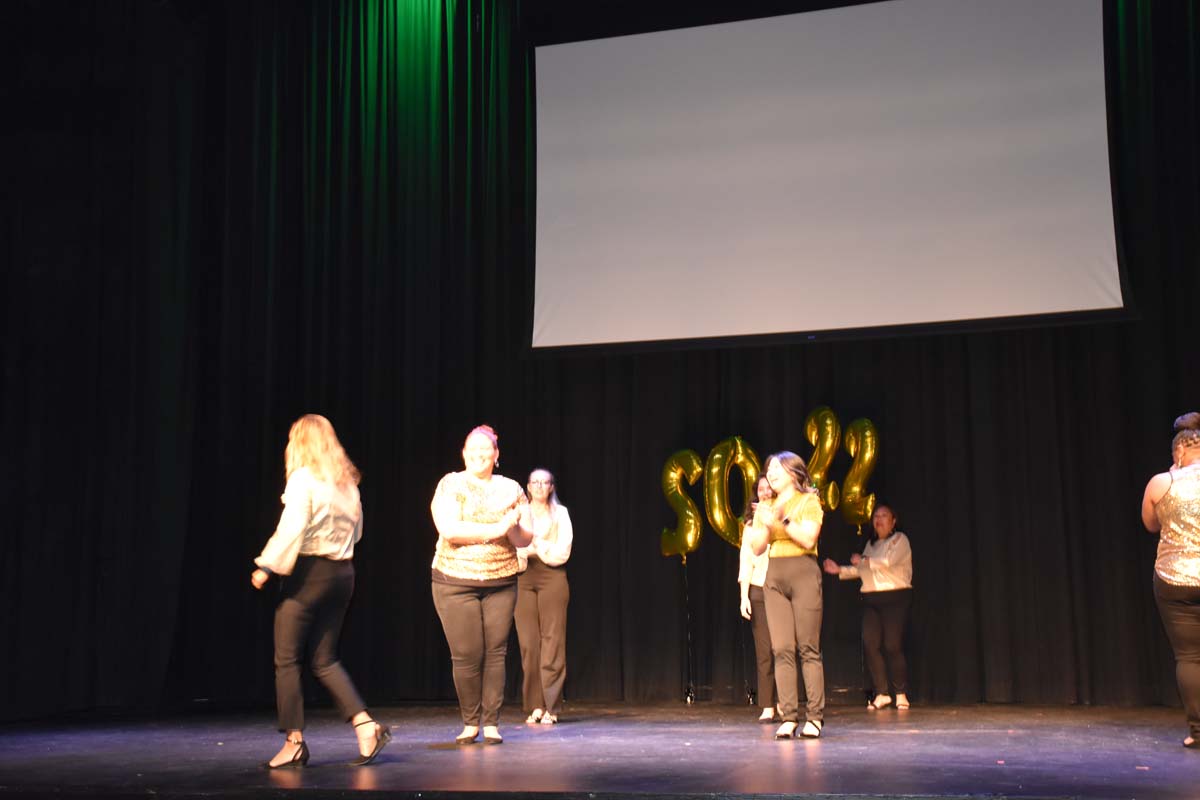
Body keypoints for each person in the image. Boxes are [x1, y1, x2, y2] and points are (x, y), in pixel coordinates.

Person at [250, 414, 390, 768]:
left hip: (310, 575)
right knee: (324, 659)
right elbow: (357, 533)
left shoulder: (304, 479)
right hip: (343, 574)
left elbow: (292, 526)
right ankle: (366, 726)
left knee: (287, 659)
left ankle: (294, 741)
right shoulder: (348, 484)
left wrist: (267, 565)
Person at [430, 424, 533, 745]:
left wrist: (514, 528)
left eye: (485, 449)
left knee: (495, 653)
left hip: (501, 580)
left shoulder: (512, 488)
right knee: (466, 654)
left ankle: (491, 723)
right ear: (463, 453)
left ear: (496, 455)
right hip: (454, 579)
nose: (479, 454)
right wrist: (499, 526)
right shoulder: (450, 483)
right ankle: (470, 721)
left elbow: (524, 536)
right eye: (472, 449)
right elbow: (450, 530)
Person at [745, 452, 827, 739]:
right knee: (781, 649)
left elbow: (808, 539)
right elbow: (756, 547)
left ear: (794, 472)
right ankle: (789, 716)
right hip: (774, 575)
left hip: (803, 571)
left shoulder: (809, 500)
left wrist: (784, 518)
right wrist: (766, 521)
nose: (772, 472)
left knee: (807, 647)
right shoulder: (765, 506)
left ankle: (814, 716)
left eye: (777, 467)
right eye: (769, 469)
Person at [1141, 411, 1200, 750]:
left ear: (1178, 452)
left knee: (1190, 657)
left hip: (1174, 579)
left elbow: (1150, 524)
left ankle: (1198, 732)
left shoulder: (1161, 482)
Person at [823, 504, 913, 711]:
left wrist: (864, 560)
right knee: (870, 644)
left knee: (892, 645)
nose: (879, 519)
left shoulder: (900, 540)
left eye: (884, 516)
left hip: (895, 597)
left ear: (893, 521)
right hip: (872, 599)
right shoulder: (870, 545)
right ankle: (882, 693)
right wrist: (840, 570)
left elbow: (888, 562)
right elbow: (862, 570)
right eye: (876, 516)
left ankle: (900, 693)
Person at [515, 468, 574, 725]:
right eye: (535, 482)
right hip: (523, 577)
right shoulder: (519, 513)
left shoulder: (560, 514)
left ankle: (552, 705)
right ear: (528, 486)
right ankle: (535, 705)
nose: (539, 486)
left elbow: (562, 552)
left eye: (545, 482)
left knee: (553, 641)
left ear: (551, 487)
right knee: (529, 644)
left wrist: (537, 543)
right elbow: (514, 547)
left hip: (552, 576)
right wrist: (529, 546)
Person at [738, 475, 779, 722]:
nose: (764, 492)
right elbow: (746, 561)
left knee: (784, 649)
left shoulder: (784, 521)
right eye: (760, 489)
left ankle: (787, 703)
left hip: (783, 590)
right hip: (759, 590)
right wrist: (744, 597)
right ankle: (767, 705)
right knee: (764, 651)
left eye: (768, 488)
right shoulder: (751, 526)